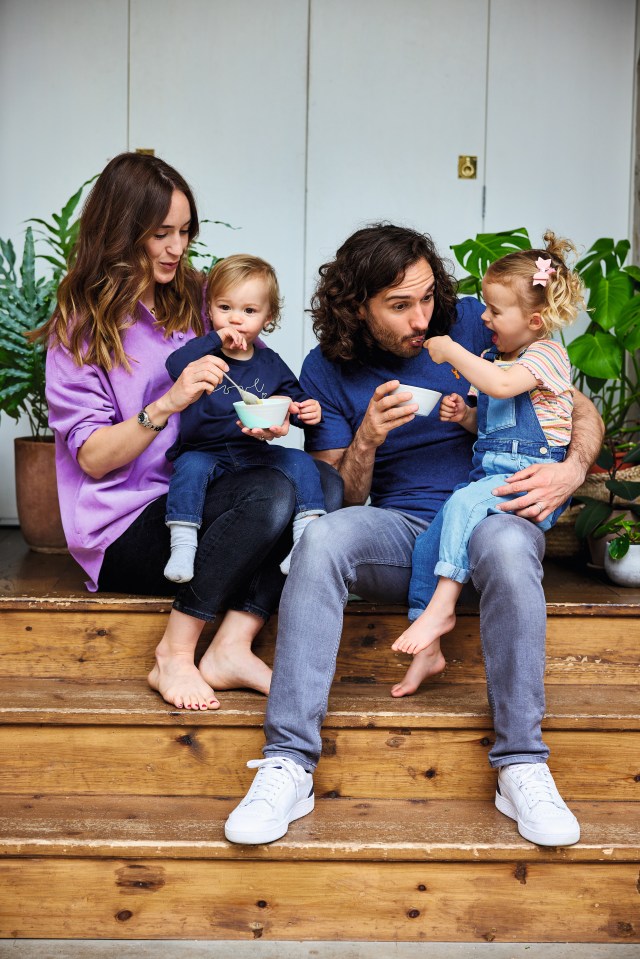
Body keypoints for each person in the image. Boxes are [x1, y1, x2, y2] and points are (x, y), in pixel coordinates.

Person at [224, 223, 603, 849]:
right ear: (358, 307)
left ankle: (521, 764)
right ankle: (289, 763)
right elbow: (337, 495)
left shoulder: (488, 322)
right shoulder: (328, 368)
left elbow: (577, 406)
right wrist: (368, 439)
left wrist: (571, 470)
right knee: (321, 540)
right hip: (404, 531)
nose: (421, 318)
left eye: (428, 297)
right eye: (399, 306)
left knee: (507, 545)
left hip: (496, 516)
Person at [43, 152, 342, 712]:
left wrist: (273, 410)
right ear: (121, 232)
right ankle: (175, 654)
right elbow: (93, 460)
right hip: (128, 524)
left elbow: (250, 360)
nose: (176, 249)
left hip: (211, 485)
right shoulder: (82, 330)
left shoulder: (198, 298)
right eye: (160, 234)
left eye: (183, 232)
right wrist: (169, 399)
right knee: (272, 494)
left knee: (321, 488)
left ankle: (232, 644)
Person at [392, 234, 585, 677]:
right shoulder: (495, 358)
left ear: (536, 321)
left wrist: (452, 351)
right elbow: (495, 421)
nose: (483, 317)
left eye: (495, 311)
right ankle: (428, 649)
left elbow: (503, 388)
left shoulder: (547, 356)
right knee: (431, 540)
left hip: (527, 478)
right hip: (489, 474)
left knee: (460, 504)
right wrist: (465, 417)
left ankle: (441, 610)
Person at [163, 254, 326, 584]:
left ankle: (304, 542)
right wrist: (214, 339)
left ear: (269, 317)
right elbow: (174, 366)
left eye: (249, 311)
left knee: (302, 463)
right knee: (189, 468)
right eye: (225, 308)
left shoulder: (269, 362)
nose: (235, 319)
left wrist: (308, 412)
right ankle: (182, 545)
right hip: (205, 450)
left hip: (254, 451)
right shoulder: (203, 352)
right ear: (209, 309)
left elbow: (294, 405)